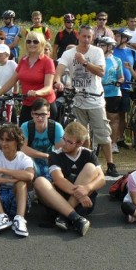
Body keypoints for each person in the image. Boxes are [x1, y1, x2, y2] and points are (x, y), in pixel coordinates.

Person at [55, 25, 117, 177]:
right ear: (79, 36)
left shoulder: (97, 52)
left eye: (90, 37)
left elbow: (101, 72)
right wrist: (58, 81)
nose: (87, 40)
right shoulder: (69, 53)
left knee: (102, 132)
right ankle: (88, 163)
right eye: (84, 36)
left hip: (95, 99)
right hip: (77, 99)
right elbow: (59, 70)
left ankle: (110, 164)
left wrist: (84, 62)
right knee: (83, 135)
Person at [33, 121, 104, 235]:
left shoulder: (89, 154)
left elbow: (102, 179)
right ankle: (76, 219)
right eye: (63, 139)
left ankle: (64, 217)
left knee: (91, 168)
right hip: (60, 200)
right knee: (39, 181)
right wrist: (80, 195)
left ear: (79, 144)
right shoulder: (55, 155)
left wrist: (87, 188)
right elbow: (59, 180)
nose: (64, 143)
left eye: (69, 142)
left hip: (83, 204)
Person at [0, 124, 35, 237]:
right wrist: (3, 180)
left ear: (17, 142)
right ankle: (1, 216)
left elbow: (29, 176)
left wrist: (3, 170)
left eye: (8, 140)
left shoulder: (24, 158)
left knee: (21, 182)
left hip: (18, 199)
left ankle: (20, 219)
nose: (3, 143)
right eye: (2, 139)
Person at [0, 31, 56, 123]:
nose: (31, 44)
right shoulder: (23, 60)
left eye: (35, 42)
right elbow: (12, 81)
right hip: (27, 103)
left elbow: (48, 87)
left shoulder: (48, 62)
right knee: (23, 134)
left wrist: (36, 93)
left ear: (42, 43)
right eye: (28, 41)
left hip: (44, 106)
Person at [20, 98, 64, 180]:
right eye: (36, 114)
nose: (40, 118)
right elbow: (22, 148)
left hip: (51, 161)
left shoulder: (56, 127)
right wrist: (45, 156)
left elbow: (60, 151)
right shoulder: (25, 126)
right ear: (32, 114)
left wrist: (50, 158)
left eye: (43, 114)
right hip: (32, 160)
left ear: (48, 114)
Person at [112, 28, 136, 150]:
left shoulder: (132, 53)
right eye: (115, 36)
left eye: (118, 36)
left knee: (123, 115)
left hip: (126, 87)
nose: (115, 38)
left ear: (125, 38)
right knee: (112, 115)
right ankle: (111, 140)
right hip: (112, 86)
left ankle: (121, 138)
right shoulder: (111, 51)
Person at [99, 36, 124, 153]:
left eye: (103, 45)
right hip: (98, 92)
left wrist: (119, 81)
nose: (100, 47)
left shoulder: (116, 60)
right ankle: (98, 142)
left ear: (110, 47)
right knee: (99, 118)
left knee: (113, 118)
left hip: (113, 93)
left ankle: (113, 143)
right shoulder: (96, 58)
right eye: (100, 45)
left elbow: (121, 76)